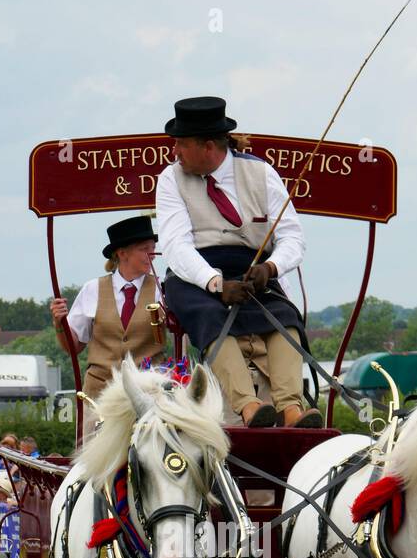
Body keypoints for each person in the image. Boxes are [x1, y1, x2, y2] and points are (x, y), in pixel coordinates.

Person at [156, 95, 320, 428]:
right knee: (209, 316)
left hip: (252, 269)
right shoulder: (171, 179)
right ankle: (248, 407)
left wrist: (270, 268)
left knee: (283, 316)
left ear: (208, 146)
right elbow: (176, 245)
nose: (175, 152)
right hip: (195, 274)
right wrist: (215, 283)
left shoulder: (261, 173)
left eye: (182, 144)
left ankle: (291, 408)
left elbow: (292, 237)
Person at [50, 215, 165, 407]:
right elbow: (74, 347)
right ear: (122, 253)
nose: (152, 254)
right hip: (99, 396)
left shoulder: (163, 288)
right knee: (92, 438)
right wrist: (59, 323)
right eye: (144, 249)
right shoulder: (92, 289)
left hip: (149, 394)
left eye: (153, 248)